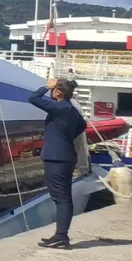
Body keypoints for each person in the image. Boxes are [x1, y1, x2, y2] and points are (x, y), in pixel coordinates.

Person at [30, 77, 87, 249]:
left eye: (54, 89)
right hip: (65, 156)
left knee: (61, 199)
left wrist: (45, 87)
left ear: (58, 92)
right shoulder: (70, 109)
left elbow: (33, 98)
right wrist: (66, 136)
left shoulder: (60, 107)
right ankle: (60, 234)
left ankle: (62, 235)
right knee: (63, 198)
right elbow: (83, 125)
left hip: (57, 159)